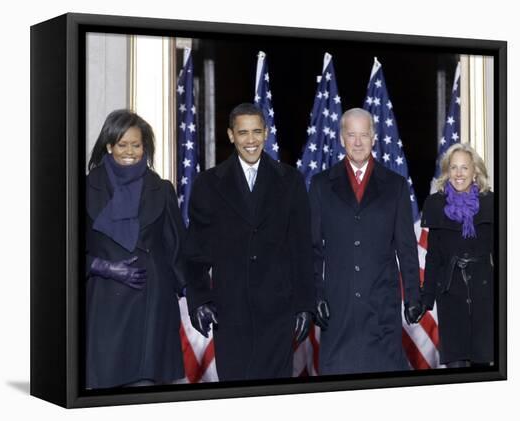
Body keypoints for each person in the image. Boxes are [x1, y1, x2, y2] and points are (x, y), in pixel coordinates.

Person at [184, 103, 315, 381]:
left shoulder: (290, 181)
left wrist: (305, 303)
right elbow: (195, 251)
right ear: (231, 135)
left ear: (266, 133)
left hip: (278, 313)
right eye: (243, 133)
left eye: (257, 131)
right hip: (230, 314)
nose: (251, 140)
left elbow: (302, 249)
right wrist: (199, 300)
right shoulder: (208, 184)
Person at [309, 108, 425, 375]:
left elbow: (406, 249)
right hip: (337, 312)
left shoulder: (395, 186)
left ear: (374, 138)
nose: (358, 142)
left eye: (364, 135)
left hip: (381, 310)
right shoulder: (320, 186)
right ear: (341, 138)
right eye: (352, 135)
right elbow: (312, 249)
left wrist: (413, 297)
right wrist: (314, 296)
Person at [85, 109, 187, 389]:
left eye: (136, 144)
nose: (130, 151)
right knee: (102, 390)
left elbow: (178, 251)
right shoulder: (81, 189)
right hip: (104, 305)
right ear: (109, 145)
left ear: (145, 148)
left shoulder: (162, 190)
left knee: (145, 392)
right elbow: (60, 253)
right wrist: (103, 267)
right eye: (122, 144)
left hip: (152, 309)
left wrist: (197, 295)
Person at [421, 143, 494, 368]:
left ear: (475, 172)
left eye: (464, 168)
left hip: (485, 296)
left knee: (485, 371)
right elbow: (433, 258)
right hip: (451, 296)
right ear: (447, 172)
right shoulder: (435, 204)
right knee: (456, 370)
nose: (459, 174)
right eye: (454, 168)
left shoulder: (491, 202)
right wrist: (426, 299)